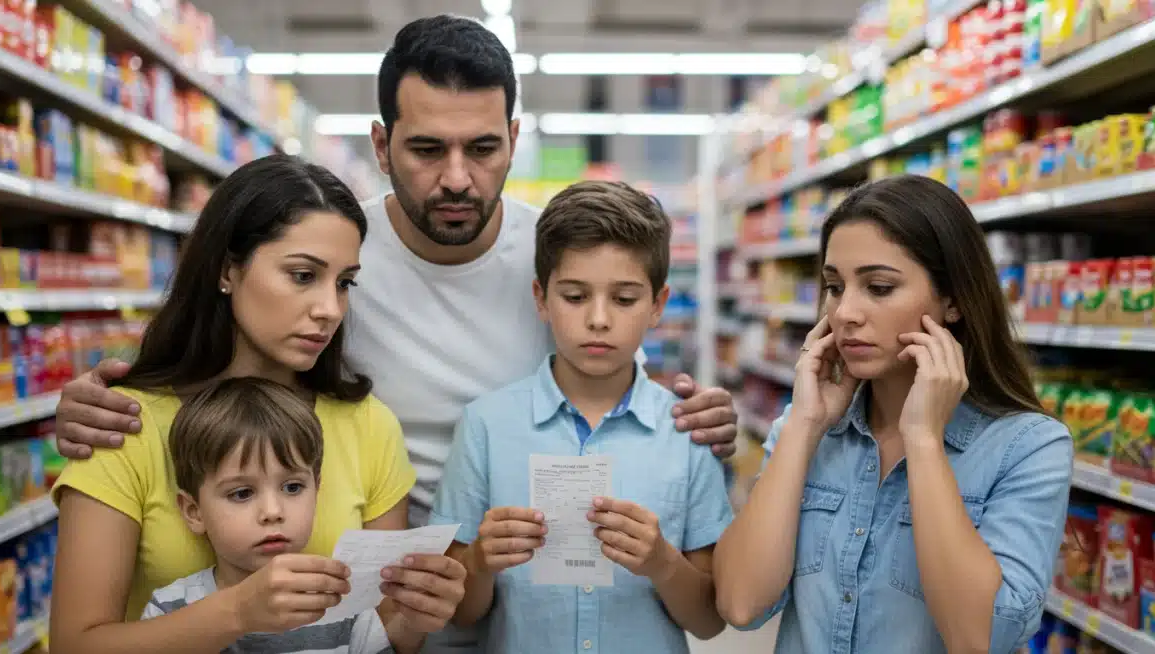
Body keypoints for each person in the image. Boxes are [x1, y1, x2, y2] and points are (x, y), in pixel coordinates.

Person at [50, 13, 740, 530]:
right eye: (426, 149)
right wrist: (112, 404)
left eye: (482, 148)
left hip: (532, 582)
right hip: (373, 582)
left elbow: (618, 389)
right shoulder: (335, 256)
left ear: (514, 142)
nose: (458, 178)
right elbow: (238, 372)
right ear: (381, 145)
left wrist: (696, 420)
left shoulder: (560, 257)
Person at [49, 155, 466, 654]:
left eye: (344, 282)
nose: (329, 309)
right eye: (302, 275)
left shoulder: (367, 425)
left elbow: (383, 636)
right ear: (228, 269)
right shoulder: (121, 424)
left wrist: (418, 611)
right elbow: (73, 646)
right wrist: (239, 612)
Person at [713, 174, 1073, 653]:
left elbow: (978, 638)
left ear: (953, 301)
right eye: (834, 287)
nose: (845, 313)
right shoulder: (808, 428)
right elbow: (740, 603)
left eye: (879, 287)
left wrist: (923, 440)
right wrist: (803, 425)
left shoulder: (1028, 447)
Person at [429, 181, 733, 653]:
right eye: (574, 296)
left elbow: (711, 621)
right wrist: (480, 562)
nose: (598, 319)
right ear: (540, 297)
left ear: (657, 305)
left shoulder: (686, 432)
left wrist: (661, 563)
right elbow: (459, 611)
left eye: (624, 299)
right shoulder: (486, 426)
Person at [143, 376, 406, 653]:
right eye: (242, 493)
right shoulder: (170, 610)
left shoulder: (347, 603)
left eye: (292, 487)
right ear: (194, 512)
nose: (273, 512)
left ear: (316, 490)